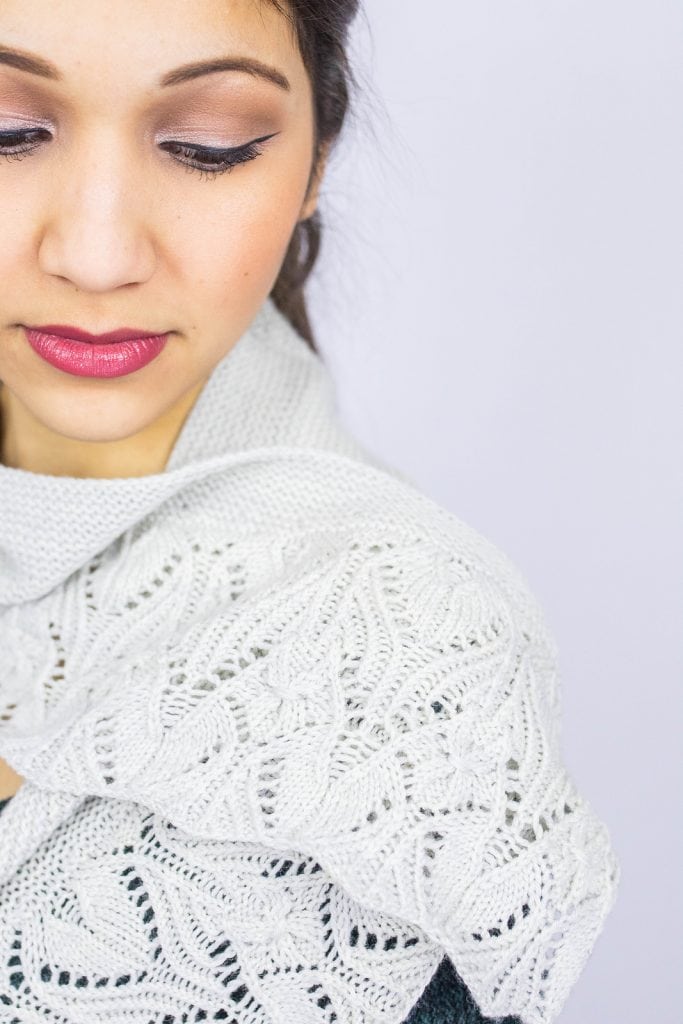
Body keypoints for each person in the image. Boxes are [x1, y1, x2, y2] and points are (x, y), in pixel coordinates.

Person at [0, 2, 619, 1023]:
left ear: (313, 163)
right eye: (10, 133)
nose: (99, 254)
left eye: (207, 148)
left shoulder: (399, 655)